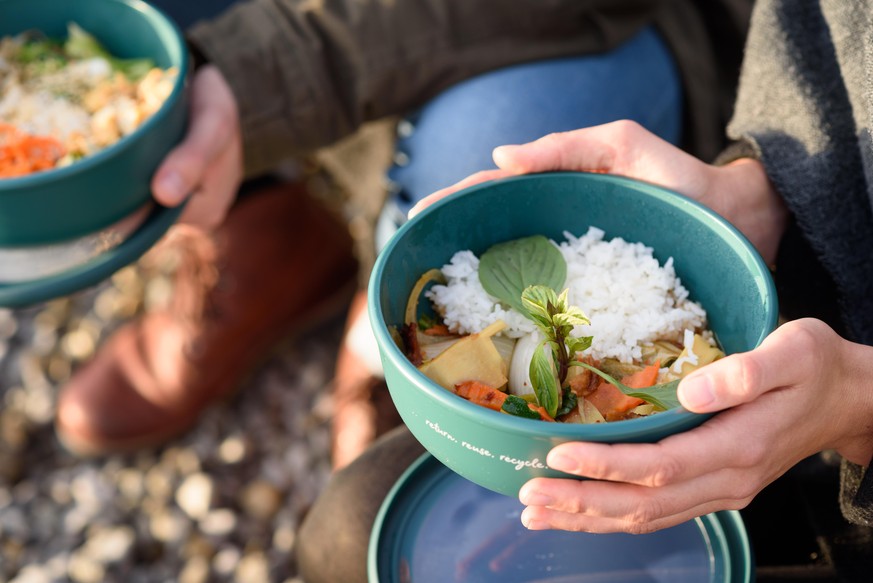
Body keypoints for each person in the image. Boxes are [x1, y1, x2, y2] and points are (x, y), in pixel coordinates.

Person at [296, 0, 873, 581]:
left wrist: (854, 406)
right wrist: (767, 189)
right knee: (347, 527)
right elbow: (824, 51)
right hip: (806, 290)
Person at [54, 0, 754, 459]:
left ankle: (390, 298)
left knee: (485, 151)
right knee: (118, 28)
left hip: (659, 24)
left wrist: (261, 71)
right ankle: (266, 226)